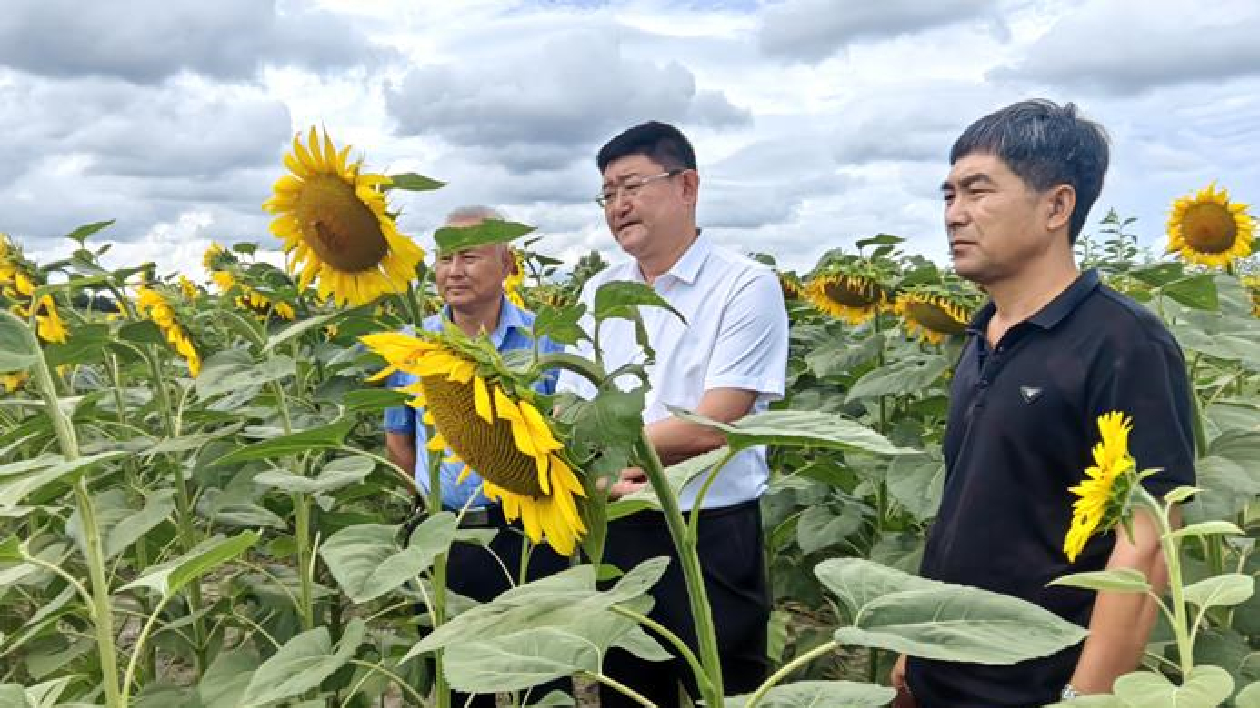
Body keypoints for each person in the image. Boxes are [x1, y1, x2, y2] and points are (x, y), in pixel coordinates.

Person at [891, 100, 1196, 706]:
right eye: (948, 195)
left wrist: (1087, 696)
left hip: (1033, 684)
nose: (954, 214)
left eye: (978, 191)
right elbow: (966, 505)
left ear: (1057, 206)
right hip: (943, 665)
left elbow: (1148, 541)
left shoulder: (1123, 343)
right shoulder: (983, 336)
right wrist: (914, 642)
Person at [556, 121, 790, 705]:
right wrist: (597, 478)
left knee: (726, 688)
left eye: (631, 186)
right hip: (619, 522)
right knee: (628, 691)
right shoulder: (598, 291)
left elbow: (716, 422)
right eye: (607, 193)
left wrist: (609, 461)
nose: (618, 205)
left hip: (709, 529)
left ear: (687, 186)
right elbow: (568, 410)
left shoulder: (744, 285)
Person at [383, 205, 571, 707]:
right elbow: (400, 440)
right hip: (447, 534)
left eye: (469, 257)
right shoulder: (414, 345)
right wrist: (428, 504)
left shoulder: (546, 339)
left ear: (508, 264)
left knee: (544, 672)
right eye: (445, 259)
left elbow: (569, 435)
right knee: (459, 680)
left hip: (530, 531)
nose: (454, 271)